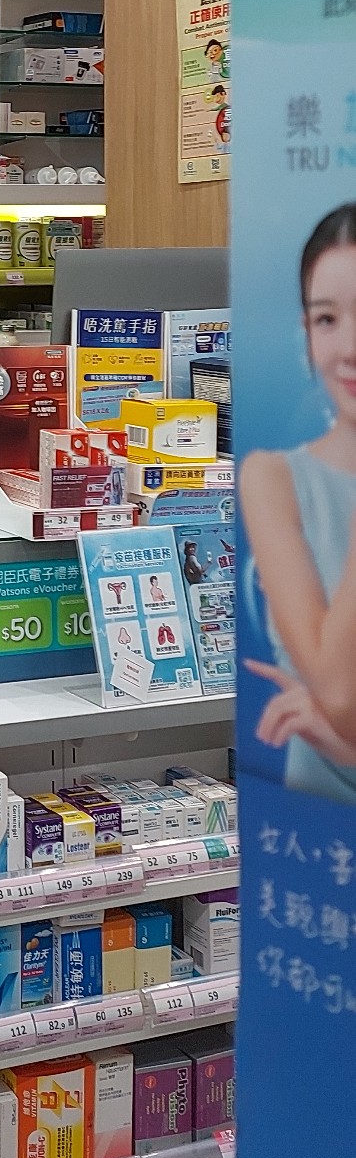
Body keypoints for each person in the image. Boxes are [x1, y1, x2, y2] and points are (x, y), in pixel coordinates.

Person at [242, 202, 356, 800]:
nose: (349, 347)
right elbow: (340, 693)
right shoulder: (274, 478)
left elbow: (334, 712)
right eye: (327, 319)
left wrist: (338, 740)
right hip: (317, 823)